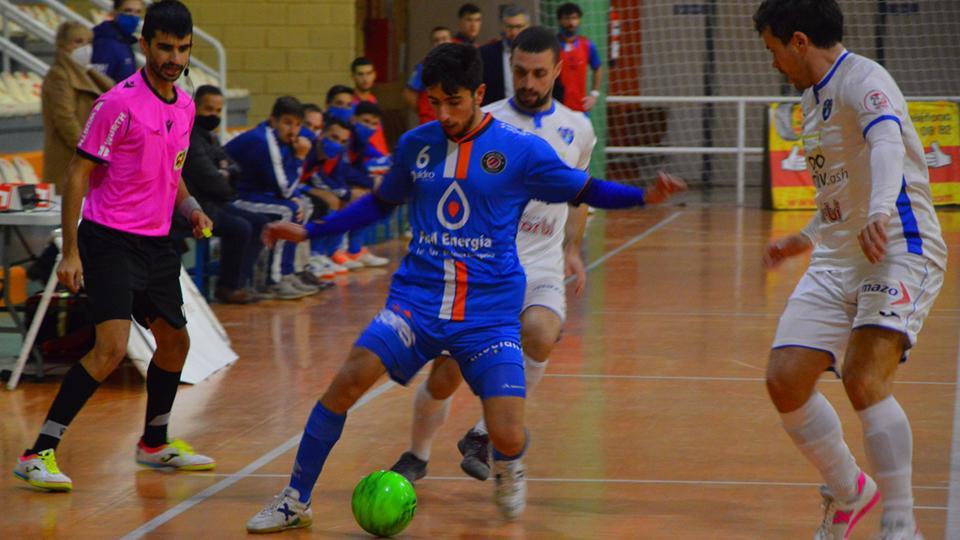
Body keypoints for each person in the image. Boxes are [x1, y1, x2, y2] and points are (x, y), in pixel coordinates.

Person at [245, 42, 685, 533]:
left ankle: (509, 464)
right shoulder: (417, 145)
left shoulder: (522, 152)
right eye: (436, 102)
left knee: (507, 433)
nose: (445, 113)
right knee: (347, 380)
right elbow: (378, 204)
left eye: (454, 101)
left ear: (479, 93)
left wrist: (644, 195)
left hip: (490, 314)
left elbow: (587, 189)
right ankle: (294, 498)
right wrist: (311, 230)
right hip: (417, 301)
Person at [755, 1, 946, 538]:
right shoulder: (810, 101)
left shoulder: (866, 79)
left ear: (797, 41)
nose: (773, 64)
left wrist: (882, 211)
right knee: (785, 380)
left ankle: (901, 522)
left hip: (900, 246)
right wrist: (805, 236)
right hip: (838, 255)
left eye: (773, 51)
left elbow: (886, 144)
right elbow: (841, 189)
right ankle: (849, 492)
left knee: (864, 378)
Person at [14, 0, 216, 493]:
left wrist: (190, 208)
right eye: (164, 47)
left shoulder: (186, 104)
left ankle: (154, 442)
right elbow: (77, 173)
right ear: (144, 45)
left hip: (157, 243)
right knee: (110, 349)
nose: (174, 57)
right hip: (109, 241)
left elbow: (174, 172)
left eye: (182, 49)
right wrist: (71, 252)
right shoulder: (117, 103)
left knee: (176, 343)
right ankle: (37, 452)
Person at [390, 26, 594, 484]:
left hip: (539, 263)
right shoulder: (483, 119)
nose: (529, 82)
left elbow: (579, 195)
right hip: (480, 268)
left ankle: (484, 433)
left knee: (540, 333)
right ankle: (417, 455)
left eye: (540, 73)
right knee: (445, 375)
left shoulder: (578, 128)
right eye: (520, 71)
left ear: (557, 71)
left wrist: (573, 250)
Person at [225, 96, 320, 300]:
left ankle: (290, 271)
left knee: (304, 205)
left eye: (297, 125)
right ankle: (274, 280)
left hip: (257, 193)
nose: (293, 130)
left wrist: (295, 196)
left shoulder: (280, 139)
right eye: (287, 122)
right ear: (273, 120)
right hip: (233, 198)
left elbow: (285, 183)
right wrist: (300, 157)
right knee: (287, 210)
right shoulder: (263, 141)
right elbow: (284, 188)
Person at [182, 85, 269, 304]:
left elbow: (233, 168)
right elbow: (209, 179)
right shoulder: (189, 138)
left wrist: (225, 173)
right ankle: (227, 287)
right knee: (240, 228)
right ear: (195, 107)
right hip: (194, 215)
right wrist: (224, 175)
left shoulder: (210, 137)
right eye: (208, 109)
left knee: (260, 223)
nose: (214, 115)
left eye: (218, 110)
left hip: (216, 204)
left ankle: (238, 281)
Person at [42, 21, 114, 191]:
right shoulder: (59, 75)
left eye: (88, 42)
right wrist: (90, 152)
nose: (85, 48)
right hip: (69, 162)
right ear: (62, 45)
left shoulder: (86, 73)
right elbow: (65, 120)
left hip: (88, 163)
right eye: (78, 42)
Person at [478, 4, 530, 106]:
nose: (514, 32)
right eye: (509, 27)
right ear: (502, 27)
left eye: (518, 27)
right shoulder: (486, 54)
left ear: (528, 27)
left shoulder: (540, 53)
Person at [556, 2, 603, 113]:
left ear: (579, 20)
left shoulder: (587, 45)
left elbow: (598, 67)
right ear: (559, 20)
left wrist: (594, 94)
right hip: (557, 109)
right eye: (567, 18)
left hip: (580, 109)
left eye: (574, 18)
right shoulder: (552, 46)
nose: (571, 22)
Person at [404, 26, 453, 125]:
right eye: (436, 40)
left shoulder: (459, 65)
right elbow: (409, 95)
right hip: (430, 121)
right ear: (432, 44)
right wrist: (425, 112)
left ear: (451, 41)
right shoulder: (423, 67)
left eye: (444, 39)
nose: (440, 43)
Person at [91, 0, 145, 83]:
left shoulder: (125, 41)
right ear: (114, 12)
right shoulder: (105, 42)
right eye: (128, 10)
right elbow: (97, 84)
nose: (133, 16)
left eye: (138, 12)